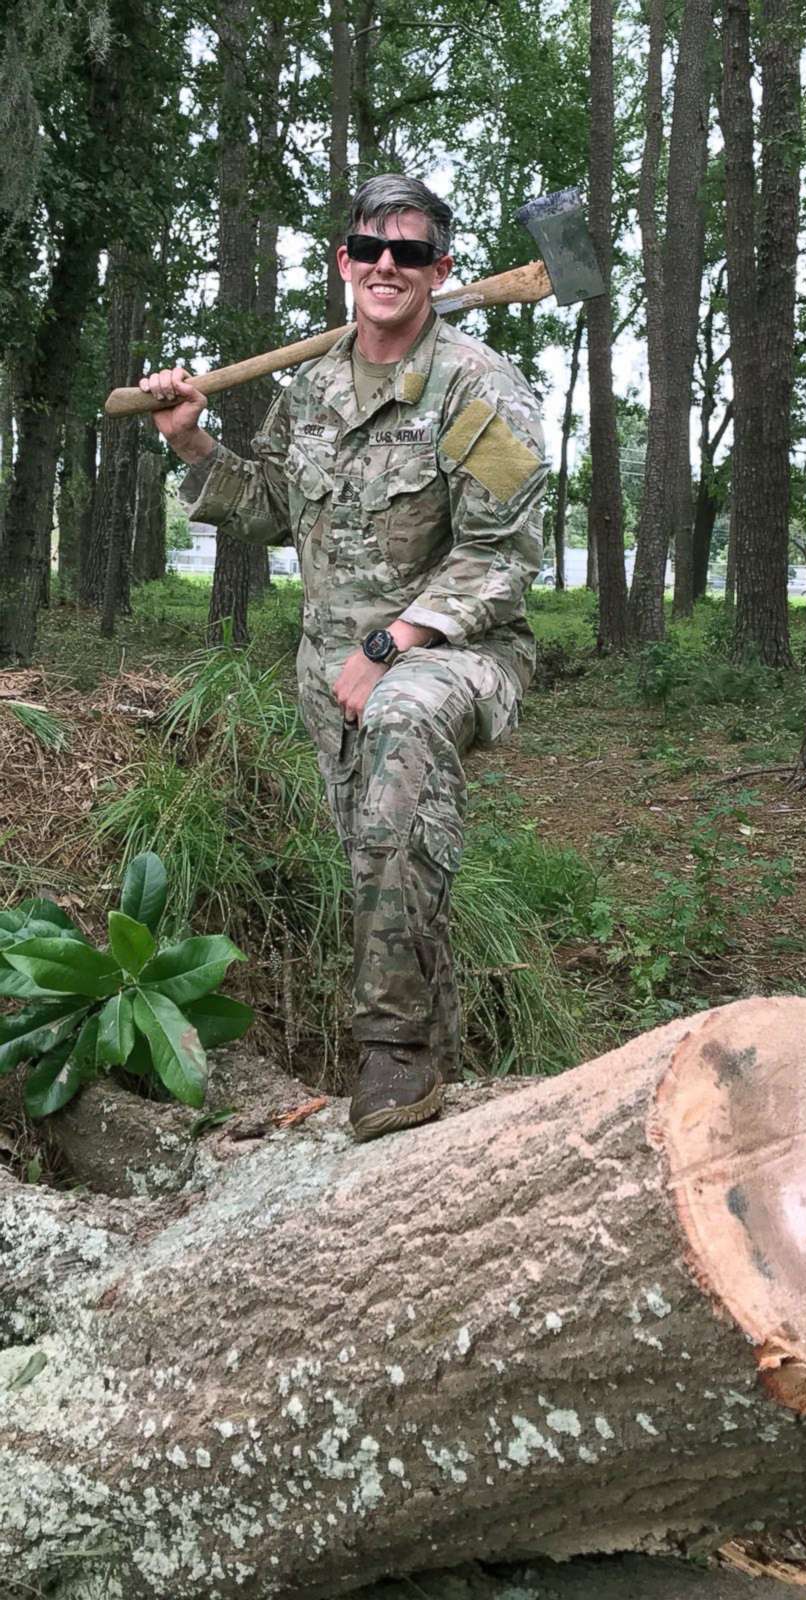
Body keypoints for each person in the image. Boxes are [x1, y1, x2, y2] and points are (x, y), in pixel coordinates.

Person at [140, 175, 548, 1140]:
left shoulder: (480, 389)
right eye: (370, 248)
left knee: (405, 731)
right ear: (344, 262)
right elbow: (275, 506)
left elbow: (503, 556)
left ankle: (393, 1051)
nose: (386, 267)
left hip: (456, 649)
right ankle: (434, 1083)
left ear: (439, 271)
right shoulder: (313, 385)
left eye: (410, 254)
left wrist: (392, 643)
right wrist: (193, 440)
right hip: (331, 670)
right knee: (383, 860)